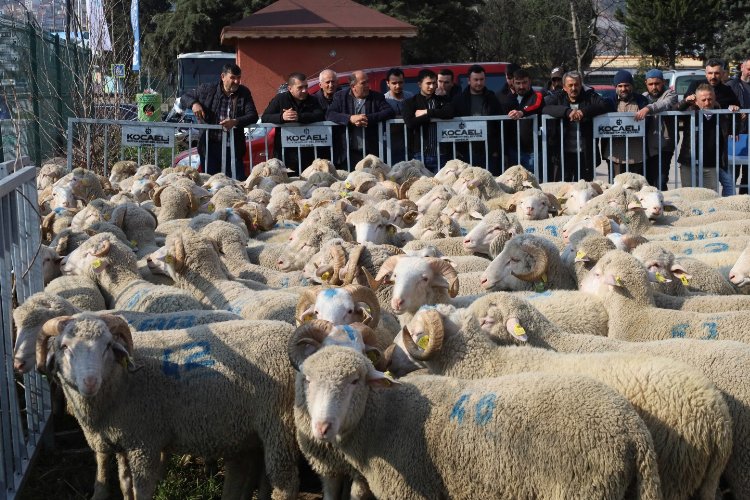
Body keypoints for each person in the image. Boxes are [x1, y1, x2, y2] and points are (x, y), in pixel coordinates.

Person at [180, 63, 258, 180]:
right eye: (233, 78)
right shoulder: (207, 89)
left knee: (237, 182)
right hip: (210, 146)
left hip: (233, 146)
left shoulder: (244, 92)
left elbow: (253, 115)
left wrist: (235, 121)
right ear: (223, 76)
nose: (236, 81)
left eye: (238, 78)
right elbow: (184, 97)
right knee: (210, 182)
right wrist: (194, 104)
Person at [683, 60, 740, 195]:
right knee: (692, 191)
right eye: (710, 73)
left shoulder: (727, 90)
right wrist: (687, 101)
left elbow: (737, 111)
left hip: (716, 150)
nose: (713, 76)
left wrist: (734, 126)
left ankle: (727, 211)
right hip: (693, 149)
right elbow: (684, 106)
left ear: (723, 74)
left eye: (716, 73)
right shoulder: (695, 85)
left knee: (722, 187)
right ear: (705, 73)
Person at [544, 70, 611, 181]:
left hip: (584, 155)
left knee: (585, 190)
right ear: (564, 87)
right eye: (570, 85)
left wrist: (583, 112)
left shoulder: (590, 97)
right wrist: (567, 112)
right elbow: (545, 107)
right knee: (562, 191)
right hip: (562, 155)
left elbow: (605, 104)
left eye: (576, 85)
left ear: (581, 85)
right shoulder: (558, 97)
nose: (574, 88)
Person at [326, 70, 395, 167]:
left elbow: (389, 112)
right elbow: (330, 114)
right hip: (348, 153)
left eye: (368, 82)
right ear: (353, 86)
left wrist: (367, 118)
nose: (368, 85)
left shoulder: (376, 96)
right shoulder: (341, 96)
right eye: (363, 83)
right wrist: (350, 118)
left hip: (370, 151)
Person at [261, 72, 325, 171]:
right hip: (285, 152)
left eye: (306, 86)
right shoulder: (280, 99)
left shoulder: (312, 99)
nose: (304, 90)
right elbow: (265, 117)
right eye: (300, 88)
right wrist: (282, 117)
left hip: (308, 152)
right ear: (290, 89)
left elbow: (320, 115)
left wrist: (299, 117)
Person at [677, 84, 731, 194]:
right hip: (689, 162)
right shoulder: (690, 112)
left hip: (711, 163)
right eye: (703, 100)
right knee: (689, 196)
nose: (707, 103)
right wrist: (685, 101)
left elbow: (733, 126)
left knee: (710, 197)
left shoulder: (720, 113)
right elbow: (674, 110)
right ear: (696, 101)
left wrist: (734, 110)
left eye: (710, 99)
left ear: (715, 98)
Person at [451, 64, 503, 173]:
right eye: (476, 80)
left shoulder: (492, 98)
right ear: (469, 80)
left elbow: (499, 125)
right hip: (466, 150)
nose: (479, 83)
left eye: (481, 79)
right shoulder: (458, 100)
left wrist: (496, 149)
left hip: (489, 150)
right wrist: (458, 149)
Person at [403, 69, 454, 173]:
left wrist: (427, 112)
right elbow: (410, 122)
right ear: (419, 84)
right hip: (420, 154)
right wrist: (430, 117)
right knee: (421, 186)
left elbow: (450, 112)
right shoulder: (410, 102)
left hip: (441, 153)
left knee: (441, 186)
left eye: (434, 83)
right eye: (428, 83)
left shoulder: (442, 99)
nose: (432, 86)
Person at [634, 69, 678, 190]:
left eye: (657, 83)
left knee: (660, 182)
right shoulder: (644, 96)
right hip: (646, 147)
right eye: (651, 84)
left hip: (664, 146)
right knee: (647, 182)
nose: (654, 87)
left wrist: (648, 108)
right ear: (646, 84)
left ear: (663, 82)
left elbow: (665, 104)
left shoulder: (671, 94)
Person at [602, 70, 649, 177]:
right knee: (616, 188)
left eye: (626, 85)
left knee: (635, 187)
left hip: (637, 155)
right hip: (615, 155)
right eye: (620, 86)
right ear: (616, 87)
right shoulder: (609, 101)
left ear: (631, 86)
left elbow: (647, 124)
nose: (623, 89)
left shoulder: (642, 101)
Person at [498, 68, 544, 172]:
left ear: (530, 82)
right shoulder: (507, 99)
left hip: (533, 151)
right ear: (512, 83)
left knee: (534, 184)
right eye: (518, 83)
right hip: (513, 150)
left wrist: (521, 112)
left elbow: (535, 105)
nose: (521, 86)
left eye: (524, 83)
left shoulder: (537, 95)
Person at [727, 57, 750, 194]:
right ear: (742, 67)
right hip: (736, 135)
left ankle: (744, 204)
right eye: (749, 69)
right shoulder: (731, 85)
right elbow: (723, 105)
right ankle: (730, 202)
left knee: (748, 175)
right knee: (732, 175)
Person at [384, 68, 414, 164]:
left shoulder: (410, 96)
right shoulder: (383, 99)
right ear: (388, 83)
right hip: (391, 145)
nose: (398, 86)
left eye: (400, 82)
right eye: (394, 83)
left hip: (410, 144)